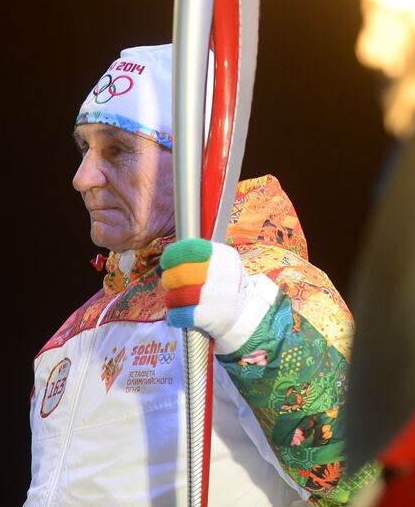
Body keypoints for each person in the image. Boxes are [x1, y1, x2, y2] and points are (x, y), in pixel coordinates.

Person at [25, 43, 379, 506]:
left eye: (116, 149)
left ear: (201, 158)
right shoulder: (71, 334)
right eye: (85, 148)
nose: (84, 176)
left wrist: (247, 324)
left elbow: (364, 479)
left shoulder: (272, 289)